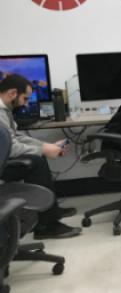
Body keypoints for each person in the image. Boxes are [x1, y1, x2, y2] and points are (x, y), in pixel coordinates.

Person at [0, 74, 81, 238]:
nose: (26, 103)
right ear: (12, 93)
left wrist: (45, 146)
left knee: (37, 158)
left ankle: (50, 210)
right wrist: (43, 150)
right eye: (25, 98)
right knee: (36, 162)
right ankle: (47, 226)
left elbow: (15, 137)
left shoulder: (5, 110)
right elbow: (12, 147)